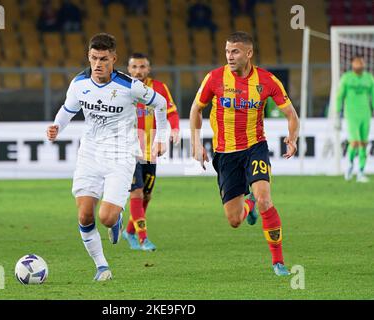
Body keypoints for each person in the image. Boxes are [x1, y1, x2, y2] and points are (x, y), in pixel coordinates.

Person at [46, 33, 168, 281]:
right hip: (89, 153)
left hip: (120, 155)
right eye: (93, 58)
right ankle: (101, 266)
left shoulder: (130, 86)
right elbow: (68, 109)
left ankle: (116, 219)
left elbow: (162, 103)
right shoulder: (79, 84)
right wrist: (57, 127)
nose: (98, 64)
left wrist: (161, 138)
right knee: (84, 215)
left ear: (114, 58)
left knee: (106, 217)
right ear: (88, 57)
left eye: (103, 58)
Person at [189, 31, 299, 276]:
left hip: (254, 147)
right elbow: (196, 108)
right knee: (235, 220)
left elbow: (291, 114)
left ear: (249, 53)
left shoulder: (267, 80)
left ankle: (278, 262)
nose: (229, 56)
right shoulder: (214, 78)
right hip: (225, 154)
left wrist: (292, 138)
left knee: (265, 198)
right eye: (227, 51)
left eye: (235, 51)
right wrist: (196, 143)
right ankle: (248, 205)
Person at [121, 53, 180, 251]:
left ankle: (129, 231)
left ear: (149, 69)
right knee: (136, 192)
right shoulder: (122, 88)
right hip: (129, 149)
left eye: (142, 67)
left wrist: (175, 130)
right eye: (134, 67)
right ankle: (143, 238)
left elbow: (171, 112)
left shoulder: (159, 88)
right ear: (128, 69)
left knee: (146, 195)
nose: (138, 71)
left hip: (150, 150)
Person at [336, 56, 374, 183]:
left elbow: (373, 96)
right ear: (352, 64)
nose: (359, 64)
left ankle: (361, 172)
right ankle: (350, 166)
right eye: (357, 62)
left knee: (364, 143)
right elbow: (340, 96)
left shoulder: (369, 78)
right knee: (355, 142)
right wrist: (337, 113)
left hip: (365, 114)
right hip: (351, 114)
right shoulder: (346, 78)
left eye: (361, 62)